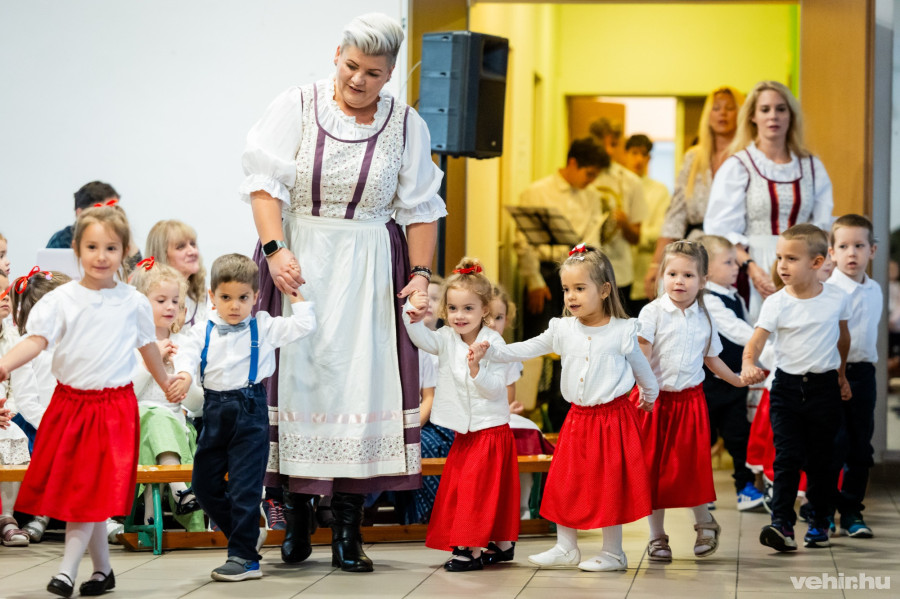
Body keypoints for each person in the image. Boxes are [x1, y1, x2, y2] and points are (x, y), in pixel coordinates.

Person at [241, 13, 445, 572]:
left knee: (361, 384)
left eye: (373, 73)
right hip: (300, 258)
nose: (358, 79)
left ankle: (349, 529)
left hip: (370, 266)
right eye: (351, 66)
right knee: (298, 380)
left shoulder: (406, 124)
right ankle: (296, 520)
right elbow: (264, 184)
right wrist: (276, 249)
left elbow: (421, 208)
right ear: (337, 55)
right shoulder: (297, 105)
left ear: (390, 73)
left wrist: (421, 274)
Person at [0, 205, 179, 597]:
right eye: (92, 247)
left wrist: (166, 382)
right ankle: (103, 570)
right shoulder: (61, 299)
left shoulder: (133, 301)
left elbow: (148, 347)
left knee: (87, 490)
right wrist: (4, 365)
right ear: (77, 249)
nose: (101, 256)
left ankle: (66, 571)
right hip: (70, 405)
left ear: (124, 250)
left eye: (111, 248)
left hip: (113, 409)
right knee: (84, 489)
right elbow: (36, 340)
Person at [474, 245, 659, 572]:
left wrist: (649, 395)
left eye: (580, 288)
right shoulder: (563, 329)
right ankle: (566, 546)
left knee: (608, 484)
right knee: (565, 479)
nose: (571, 296)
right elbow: (526, 348)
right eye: (566, 289)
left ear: (604, 290)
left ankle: (613, 552)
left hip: (612, 419)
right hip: (578, 418)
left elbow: (642, 370)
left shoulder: (622, 330)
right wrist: (491, 351)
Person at [172, 254, 316, 582]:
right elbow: (187, 355)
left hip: (250, 411)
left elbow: (304, 326)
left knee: (244, 488)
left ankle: (245, 558)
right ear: (212, 296)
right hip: (214, 412)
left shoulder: (263, 326)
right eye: (226, 297)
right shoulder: (202, 330)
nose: (234, 306)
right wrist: (183, 375)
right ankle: (247, 534)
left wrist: (295, 294)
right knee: (203, 486)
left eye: (243, 298)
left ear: (256, 296)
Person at [636, 240, 748, 562]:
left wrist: (737, 379)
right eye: (672, 274)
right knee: (652, 470)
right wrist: (644, 389)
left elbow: (712, 359)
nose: (679, 281)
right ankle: (657, 536)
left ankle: (704, 522)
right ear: (662, 275)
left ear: (703, 280)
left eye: (688, 275)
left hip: (689, 403)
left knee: (690, 468)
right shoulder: (652, 312)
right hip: (654, 401)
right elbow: (642, 354)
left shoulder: (705, 316)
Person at [742, 224, 851, 552]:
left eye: (791, 258)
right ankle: (782, 524)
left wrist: (842, 376)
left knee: (821, 461)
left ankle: (818, 522)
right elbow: (755, 342)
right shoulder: (776, 303)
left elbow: (842, 338)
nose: (782, 265)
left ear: (817, 262)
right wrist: (748, 364)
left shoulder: (836, 298)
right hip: (786, 389)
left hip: (824, 388)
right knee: (787, 458)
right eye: (779, 258)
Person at [404, 258, 518, 571]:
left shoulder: (493, 343)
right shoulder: (445, 338)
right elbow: (419, 337)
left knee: (476, 492)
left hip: (489, 431)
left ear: (484, 310)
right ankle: (502, 544)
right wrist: (411, 312)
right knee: (462, 489)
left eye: (468, 308)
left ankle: (470, 551)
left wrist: (476, 368)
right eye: (453, 308)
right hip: (463, 432)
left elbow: (495, 389)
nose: (459, 315)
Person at [704, 81, 834, 320]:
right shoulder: (738, 166)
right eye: (765, 109)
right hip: (754, 266)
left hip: (804, 267)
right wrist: (752, 269)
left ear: (791, 115)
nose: (773, 115)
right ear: (752, 116)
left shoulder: (812, 166)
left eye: (780, 109)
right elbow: (720, 231)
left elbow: (823, 226)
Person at [644, 86, 744, 298]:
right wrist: (656, 263)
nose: (723, 113)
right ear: (708, 115)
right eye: (716, 108)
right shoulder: (693, 158)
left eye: (729, 108)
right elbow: (675, 215)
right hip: (696, 251)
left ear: (741, 113)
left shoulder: (748, 157)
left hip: (736, 253)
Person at [130, 259, 206, 532]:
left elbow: (198, 406)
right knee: (155, 416)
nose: (170, 307)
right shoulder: (131, 343)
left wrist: (184, 385)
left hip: (178, 425)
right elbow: (127, 394)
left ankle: (154, 518)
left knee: (165, 421)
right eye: (161, 300)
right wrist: (151, 364)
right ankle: (179, 490)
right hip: (134, 426)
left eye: (175, 301)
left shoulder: (185, 345)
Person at [515, 138, 609, 337]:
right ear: (573, 163)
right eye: (589, 174)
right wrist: (534, 280)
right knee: (539, 339)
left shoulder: (592, 196)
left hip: (579, 276)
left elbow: (593, 241)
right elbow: (523, 241)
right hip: (544, 275)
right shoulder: (537, 192)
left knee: (576, 339)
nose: (592, 181)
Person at [699, 235, 765, 511]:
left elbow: (748, 325)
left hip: (735, 381)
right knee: (704, 439)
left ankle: (745, 488)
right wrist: (766, 345)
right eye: (728, 262)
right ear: (706, 268)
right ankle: (701, 492)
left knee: (739, 436)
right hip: (709, 384)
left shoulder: (734, 295)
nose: (736, 267)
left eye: (736, 262)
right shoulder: (707, 298)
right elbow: (737, 330)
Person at [826, 214, 881, 537]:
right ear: (831, 253)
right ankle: (822, 510)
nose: (852, 253)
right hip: (831, 373)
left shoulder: (874, 289)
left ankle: (851, 512)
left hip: (863, 373)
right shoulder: (827, 290)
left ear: (872, 250)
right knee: (833, 444)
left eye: (859, 246)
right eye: (844, 246)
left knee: (861, 446)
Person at [9, 269, 71, 543]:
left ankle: (94, 517)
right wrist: (52, 425)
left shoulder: (73, 344)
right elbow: (26, 400)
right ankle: (42, 514)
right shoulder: (27, 346)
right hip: (38, 425)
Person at [487, 284, 555, 520]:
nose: (492, 324)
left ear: (507, 320)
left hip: (500, 416)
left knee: (527, 433)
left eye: (499, 317)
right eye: (486, 317)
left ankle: (523, 506)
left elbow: (508, 397)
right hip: (471, 417)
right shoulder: (461, 350)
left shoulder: (508, 354)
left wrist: (508, 408)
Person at [0, 272, 43, 548]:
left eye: (7, 292)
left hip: (5, 414)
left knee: (12, 431)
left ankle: (7, 516)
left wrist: (8, 411)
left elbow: (16, 388)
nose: (5, 298)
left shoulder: (13, 337)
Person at [589, 118, 647, 313]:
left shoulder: (631, 182)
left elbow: (636, 237)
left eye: (613, 144)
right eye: (602, 144)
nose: (608, 150)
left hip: (618, 272)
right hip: (585, 271)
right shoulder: (583, 176)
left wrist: (625, 224)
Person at [623, 134, 670, 313]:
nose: (639, 159)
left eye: (644, 154)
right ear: (625, 154)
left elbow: (661, 231)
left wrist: (632, 233)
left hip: (644, 272)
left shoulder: (659, 191)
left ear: (649, 158)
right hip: (616, 272)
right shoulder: (618, 187)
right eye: (634, 153)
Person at [144, 220, 208, 330]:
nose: (192, 251)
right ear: (162, 254)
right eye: (181, 247)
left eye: (193, 244)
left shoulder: (206, 294)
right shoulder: (145, 300)